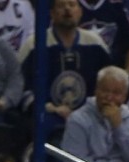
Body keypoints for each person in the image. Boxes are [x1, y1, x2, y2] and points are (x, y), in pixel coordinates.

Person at [18, 0, 112, 139]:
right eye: (61, 6)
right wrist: (50, 108)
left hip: (89, 116)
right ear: (52, 13)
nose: (67, 9)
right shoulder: (34, 44)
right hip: (48, 117)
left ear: (80, 12)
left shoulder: (96, 44)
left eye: (72, 5)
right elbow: (21, 86)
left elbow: (108, 83)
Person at [74, 0, 129, 74]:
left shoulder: (117, 6)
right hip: (77, 74)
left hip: (113, 74)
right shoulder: (70, 6)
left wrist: (126, 74)